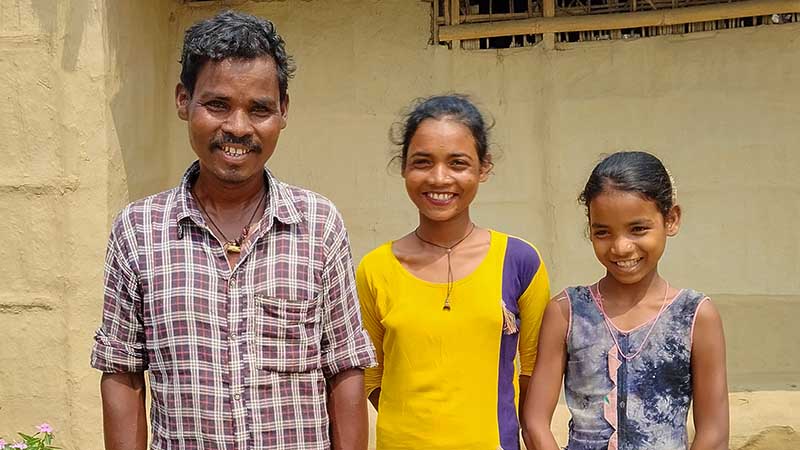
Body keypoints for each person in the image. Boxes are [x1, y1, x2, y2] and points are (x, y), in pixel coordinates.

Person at [90, 11, 376, 450]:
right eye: (217, 104)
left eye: (259, 109)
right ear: (184, 100)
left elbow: (344, 367)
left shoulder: (318, 224)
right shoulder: (139, 230)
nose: (238, 128)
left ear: (282, 111)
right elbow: (123, 371)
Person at [357, 94, 550, 450]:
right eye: (423, 162)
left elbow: (535, 369)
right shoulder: (375, 269)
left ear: (483, 167)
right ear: (403, 167)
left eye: (458, 163)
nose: (439, 178)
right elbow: (370, 376)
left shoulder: (519, 261)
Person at [522, 151, 729, 450]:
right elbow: (534, 422)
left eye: (638, 229)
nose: (621, 247)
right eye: (603, 232)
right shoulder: (567, 313)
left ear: (671, 219)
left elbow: (714, 433)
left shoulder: (695, 316)